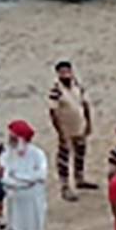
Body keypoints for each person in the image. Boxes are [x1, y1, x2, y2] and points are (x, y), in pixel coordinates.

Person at [3, 121, 49, 230]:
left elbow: (41, 176)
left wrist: (20, 178)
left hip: (34, 202)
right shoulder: (6, 154)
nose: (10, 140)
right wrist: (26, 182)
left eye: (14, 137)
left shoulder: (38, 154)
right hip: (15, 202)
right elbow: (5, 178)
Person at [47, 60, 94, 201]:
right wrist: (60, 131)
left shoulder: (78, 86)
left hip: (79, 125)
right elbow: (53, 112)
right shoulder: (55, 90)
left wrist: (89, 122)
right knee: (64, 157)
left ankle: (79, 178)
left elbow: (85, 104)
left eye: (68, 71)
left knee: (80, 152)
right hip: (66, 128)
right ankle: (65, 186)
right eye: (62, 72)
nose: (66, 74)